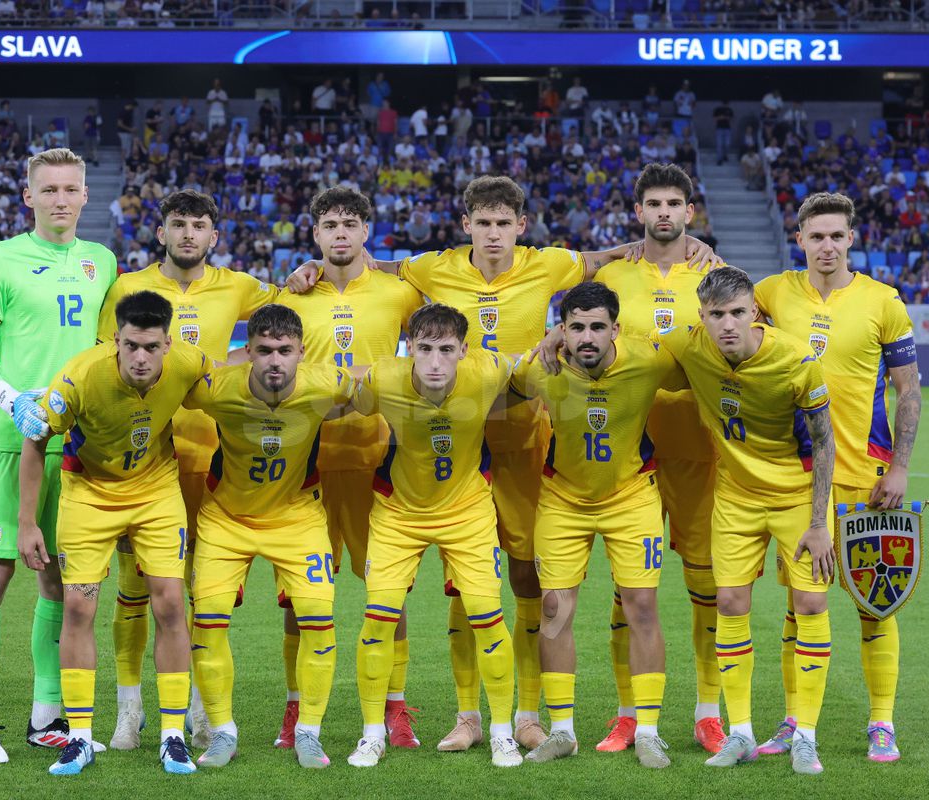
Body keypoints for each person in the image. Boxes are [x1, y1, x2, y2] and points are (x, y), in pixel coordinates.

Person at [287, 175, 717, 752]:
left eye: (503, 224)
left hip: (528, 443)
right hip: (452, 447)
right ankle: (468, 716)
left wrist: (652, 247)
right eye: (482, 223)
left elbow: (596, 261)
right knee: (467, 587)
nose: (493, 234)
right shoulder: (434, 269)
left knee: (527, 579)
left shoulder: (548, 264)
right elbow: (380, 271)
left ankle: (530, 715)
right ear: (467, 225)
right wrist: (311, 268)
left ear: (520, 226)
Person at [96, 189, 279, 752]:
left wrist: (309, 271)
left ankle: (200, 709)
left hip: (213, 459)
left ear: (214, 236)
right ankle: (130, 711)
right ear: (161, 232)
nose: (188, 234)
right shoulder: (127, 288)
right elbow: (111, 360)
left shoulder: (240, 286)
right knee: (134, 591)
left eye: (199, 225)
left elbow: (298, 309)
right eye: (178, 224)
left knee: (201, 593)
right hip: (142, 459)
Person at [0, 147, 117, 764]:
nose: (59, 199)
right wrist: (11, 398)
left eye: (70, 189)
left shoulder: (101, 262)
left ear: (84, 196)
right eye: (48, 189)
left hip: (77, 449)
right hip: (9, 440)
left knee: (62, 580)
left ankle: (46, 716)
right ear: (29, 197)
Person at [754, 192, 921, 763]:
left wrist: (899, 465)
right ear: (798, 238)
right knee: (801, 606)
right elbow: (721, 318)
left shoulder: (883, 301)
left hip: (869, 479)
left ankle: (882, 722)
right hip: (802, 481)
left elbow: (909, 389)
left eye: (836, 236)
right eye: (816, 236)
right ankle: (795, 719)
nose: (827, 246)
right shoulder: (772, 293)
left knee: (877, 602)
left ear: (852, 239)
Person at [17, 290, 209, 776]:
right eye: (130, 346)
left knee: (168, 602)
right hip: (90, 493)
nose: (140, 358)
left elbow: (229, 379)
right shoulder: (79, 375)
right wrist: (26, 523)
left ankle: (171, 736)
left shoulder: (188, 362)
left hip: (156, 490)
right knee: (79, 605)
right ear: (115, 341)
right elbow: (36, 439)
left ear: (168, 343)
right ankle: (79, 738)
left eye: (150, 347)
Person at [659, 267, 836, 776]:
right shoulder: (690, 346)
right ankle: (740, 733)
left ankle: (806, 735)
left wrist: (819, 521)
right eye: (717, 315)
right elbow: (627, 348)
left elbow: (824, 441)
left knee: (810, 601)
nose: (728, 325)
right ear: (702, 318)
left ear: (755, 312)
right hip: (735, 497)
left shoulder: (797, 359)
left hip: (795, 498)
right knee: (730, 601)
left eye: (738, 312)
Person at [514, 282, 684, 768]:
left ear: (616, 328)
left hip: (631, 495)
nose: (586, 337)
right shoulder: (540, 368)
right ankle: (562, 731)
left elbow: (709, 357)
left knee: (643, 608)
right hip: (563, 497)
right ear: (561, 330)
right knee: (553, 610)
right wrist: (542, 344)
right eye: (575, 328)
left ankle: (647, 730)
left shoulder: (650, 360)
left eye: (596, 327)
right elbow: (492, 384)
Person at [277, 188, 424, 749]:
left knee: (387, 591)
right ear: (314, 233)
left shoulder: (399, 293)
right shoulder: (292, 296)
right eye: (329, 224)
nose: (340, 233)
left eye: (350, 224)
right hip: (305, 466)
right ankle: (295, 711)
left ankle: (395, 709)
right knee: (299, 594)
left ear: (367, 231)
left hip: (376, 461)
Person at [346, 304, 522, 769]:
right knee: (379, 617)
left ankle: (502, 732)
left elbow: (535, 361)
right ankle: (371, 735)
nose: (436, 362)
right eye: (424, 349)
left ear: (466, 350)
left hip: (466, 510)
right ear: (409, 350)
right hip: (398, 511)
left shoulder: (486, 371)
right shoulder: (385, 378)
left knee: (487, 615)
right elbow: (342, 396)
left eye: (447, 350)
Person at [591, 164, 726, 754]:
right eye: (654, 203)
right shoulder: (614, 273)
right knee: (629, 592)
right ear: (637, 212)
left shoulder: (718, 276)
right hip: (630, 459)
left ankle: (707, 711)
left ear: (689, 212)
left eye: (675, 202)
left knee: (708, 589)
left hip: (700, 450)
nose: (665, 212)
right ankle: (627, 716)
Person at [184, 304, 355, 770]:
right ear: (248, 352)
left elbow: (378, 378)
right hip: (226, 518)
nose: (274, 361)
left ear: (302, 351)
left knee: (319, 618)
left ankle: (309, 733)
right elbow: (165, 380)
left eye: (284, 350)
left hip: (297, 518)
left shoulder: (326, 383)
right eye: (263, 351)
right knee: (209, 620)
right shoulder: (217, 389)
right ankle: (222, 732)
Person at [713, 100, 734, 165]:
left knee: (727, 144)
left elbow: (732, 119)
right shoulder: (718, 110)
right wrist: (720, 117)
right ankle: (719, 159)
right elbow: (714, 118)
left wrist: (726, 118)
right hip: (719, 129)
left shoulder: (729, 110)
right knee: (719, 144)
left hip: (727, 129)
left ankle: (725, 155)